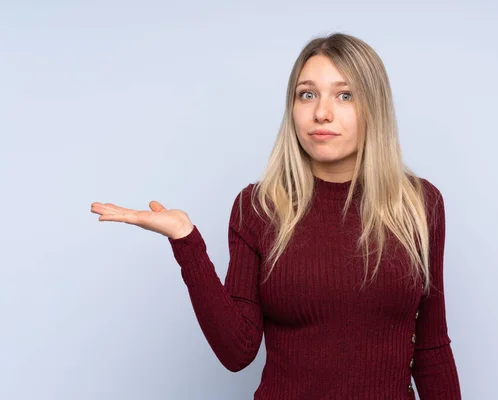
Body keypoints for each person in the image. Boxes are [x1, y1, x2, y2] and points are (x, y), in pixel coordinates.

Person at [91, 32, 461, 399]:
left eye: (344, 95)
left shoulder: (418, 204)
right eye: (307, 94)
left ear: (374, 107)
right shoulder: (258, 208)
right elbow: (238, 351)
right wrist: (186, 241)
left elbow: (431, 351)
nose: (321, 112)